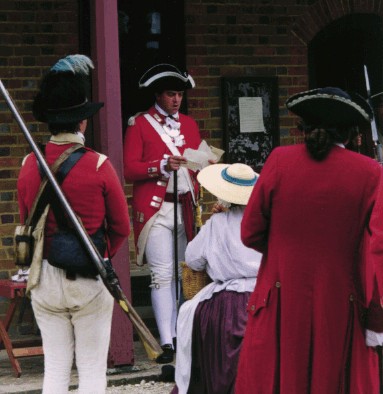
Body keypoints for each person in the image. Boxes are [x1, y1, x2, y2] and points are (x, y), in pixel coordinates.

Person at [235, 87, 383, 393]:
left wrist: (283, 253)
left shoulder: (278, 160)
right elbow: (378, 247)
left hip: (280, 296)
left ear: (305, 127)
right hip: (341, 300)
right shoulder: (371, 173)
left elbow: (250, 232)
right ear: (351, 132)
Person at [17, 55, 130, 394]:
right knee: (93, 373)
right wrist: (99, 254)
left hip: (45, 276)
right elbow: (122, 226)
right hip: (89, 275)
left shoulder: (27, 165)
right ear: (82, 122)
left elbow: (27, 221)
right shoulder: (99, 165)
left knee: (54, 372)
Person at [123, 63, 201, 363]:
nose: (176, 100)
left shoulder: (190, 125)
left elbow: (196, 161)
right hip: (157, 210)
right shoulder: (140, 124)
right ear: (158, 95)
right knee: (161, 275)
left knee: (187, 274)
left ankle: (183, 334)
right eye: (171, 94)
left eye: (180, 94)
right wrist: (161, 166)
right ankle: (166, 341)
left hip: (185, 205)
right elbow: (130, 169)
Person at [172, 163, 262, 394]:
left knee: (193, 317)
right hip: (263, 299)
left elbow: (192, 260)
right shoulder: (267, 224)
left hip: (227, 302)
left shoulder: (216, 224)